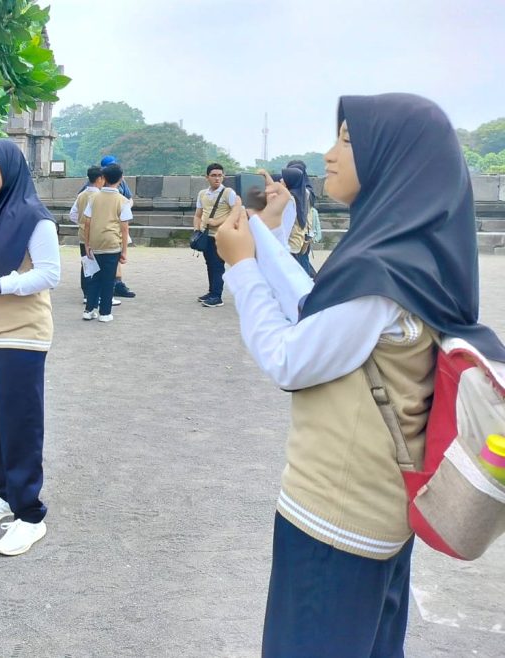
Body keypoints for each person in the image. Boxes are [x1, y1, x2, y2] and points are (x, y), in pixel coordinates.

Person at [215, 93, 505, 658]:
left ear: (392, 158)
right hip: (379, 516)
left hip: (333, 524)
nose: (328, 154)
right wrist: (265, 240)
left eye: (347, 140)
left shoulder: (379, 273)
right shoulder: (412, 255)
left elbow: (290, 358)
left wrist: (242, 267)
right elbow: (322, 313)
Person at [0, 139, 60, 556]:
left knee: (20, 425)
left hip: (23, 334)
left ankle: (30, 513)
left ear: (9, 167)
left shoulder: (35, 217)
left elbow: (49, 275)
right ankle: (4, 493)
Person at [80, 162, 131, 322]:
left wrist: (87, 244)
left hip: (95, 243)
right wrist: (124, 251)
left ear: (105, 178)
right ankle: (105, 312)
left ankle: (89, 310)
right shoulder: (122, 200)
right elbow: (124, 228)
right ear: (121, 179)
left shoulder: (94, 198)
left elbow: (87, 222)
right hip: (111, 244)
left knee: (94, 278)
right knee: (108, 280)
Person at [193, 163, 237, 308]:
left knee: (217, 266)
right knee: (210, 264)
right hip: (206, 235)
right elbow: (198, 214)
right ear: (207, 177)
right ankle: (212, 292)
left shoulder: (228, 193)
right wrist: (197, 229)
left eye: (220, 175)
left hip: (221, 235)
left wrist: (217, 221)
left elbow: (237, 212)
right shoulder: (202, 194)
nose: (217, 178)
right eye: (213, 175)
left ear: (223, 176)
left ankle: (217, 296)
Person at [99, 155, 136, 299]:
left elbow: (129, 199)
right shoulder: (96, 182)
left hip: (116, 222)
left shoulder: (122, 183)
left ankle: (117, 283)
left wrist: (125, 207)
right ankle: (108, 285)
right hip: (103, 224)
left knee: (115, 254)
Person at [69, 166, 104, 303]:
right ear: (99, 179)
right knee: (99, 265)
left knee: (86, 264)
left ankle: (86, 293)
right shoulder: (100, 197)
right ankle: (97, 294)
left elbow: (72, 214)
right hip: (97, 236)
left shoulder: (81, 195)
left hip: (83, 235)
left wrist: (81, 222)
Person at [283, 159, 317, 277]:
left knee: (300, 264)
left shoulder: (300, 193)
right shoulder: (308, 190)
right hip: (303, 233)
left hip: (297, 233)